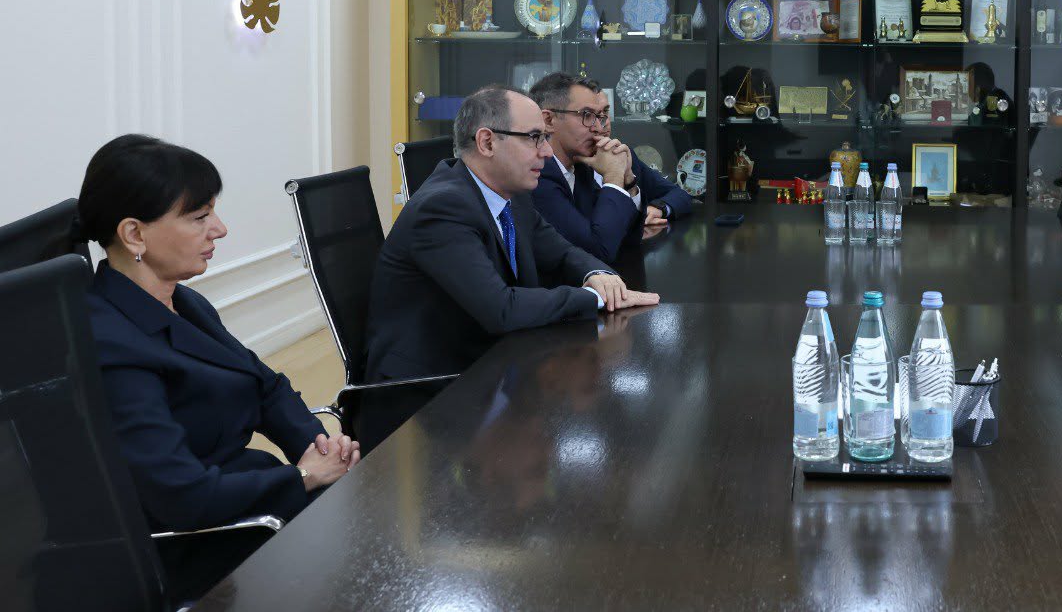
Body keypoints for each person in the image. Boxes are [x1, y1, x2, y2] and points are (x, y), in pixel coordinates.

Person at [76, 135, 357, 535]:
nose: (220, 230)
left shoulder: (183, 301)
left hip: (253, 498)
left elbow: (265, 387)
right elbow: (183, 497)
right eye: (199, 217)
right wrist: (304, 477)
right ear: (134, 234)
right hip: (215, 534)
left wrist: (319, 447)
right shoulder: (111, 345)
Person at [366, 85, 658, 382]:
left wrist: (598, 275)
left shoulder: (512, 196)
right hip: (434, 389)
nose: (547, 151)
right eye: (535, 137)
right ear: (487, 142)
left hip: (495, 363)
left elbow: (562, 253)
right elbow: (501, 309)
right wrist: (593, 297)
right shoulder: (442, 209)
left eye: (545, 138)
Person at [526, 72, 694, 262]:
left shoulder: (582, 166)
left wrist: (629, 182)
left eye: (602, 115)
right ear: (548, 121)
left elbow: (629, 237)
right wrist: (614, 177)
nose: (599, 128)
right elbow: (598, 252)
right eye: (587, 115)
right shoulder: (537, 175)